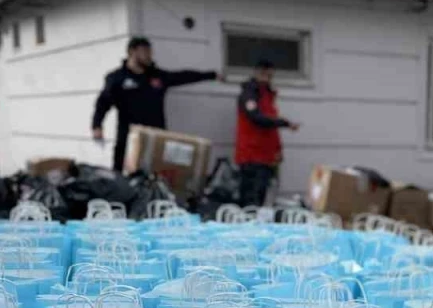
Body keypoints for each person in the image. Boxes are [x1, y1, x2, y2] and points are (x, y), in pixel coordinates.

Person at [92, 37, 220, 172]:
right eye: (145, 51)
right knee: (121, 177)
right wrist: (97, 126)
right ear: (132, 52)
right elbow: (102, 103)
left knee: (156, 176)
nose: (149, 55)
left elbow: (183, 76)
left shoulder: (157, 76)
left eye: (150, 52)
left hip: (156, 138)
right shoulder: (116, 78)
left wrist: (211, 75)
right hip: (128, 138)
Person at [235, 59, 299, 206]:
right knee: (251, 199)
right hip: (252, 154)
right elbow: (257, 118)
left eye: (270, 76)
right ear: (257, 72)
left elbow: (271, 128)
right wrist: (284, 123)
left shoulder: (267, 95)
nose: (267, 78)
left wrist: (278, 149)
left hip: (266, 156)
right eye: (264, 74)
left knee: (264, 197)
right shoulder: (250, 94)